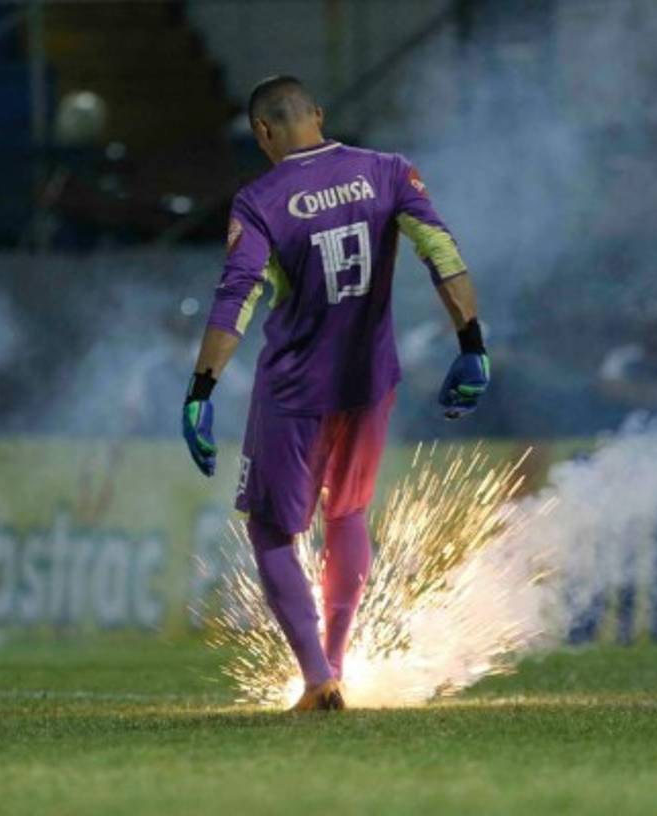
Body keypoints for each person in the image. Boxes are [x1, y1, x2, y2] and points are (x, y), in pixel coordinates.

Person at [181, 76, 489, 711]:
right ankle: (341, 663)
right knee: (346, 514)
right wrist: (473, 345)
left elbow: (236, 299)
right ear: (318, 115)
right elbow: (442, 252)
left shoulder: (260, 200)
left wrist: (201, 388)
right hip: (370, 383)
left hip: (296, 391)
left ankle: (318, 676)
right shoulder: (388, 171)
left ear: (263, 132)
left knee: (271, 531)